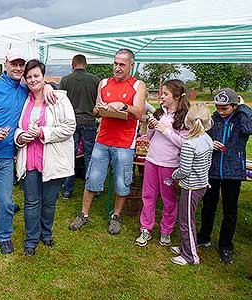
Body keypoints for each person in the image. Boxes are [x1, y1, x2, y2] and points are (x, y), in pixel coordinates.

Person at [0, 49, 56, 258]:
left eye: (21, 65)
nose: (17, 68)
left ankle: (4, 236)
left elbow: (41, 87)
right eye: (14, 63)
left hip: (6, 156)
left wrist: (50, 85)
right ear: (5, 63)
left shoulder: (25, 90)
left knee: (6, 202)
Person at [69, 49, 146, 235]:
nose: (117, 68)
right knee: (92, 178)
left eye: (122, 64)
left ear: (131, 66)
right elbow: (95, 110)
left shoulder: (138, 85)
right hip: (102, 139)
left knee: (122, 181)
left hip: (125, 143)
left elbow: (139, 113)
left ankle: (116, 216)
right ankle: (84, 214)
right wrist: (100, 108)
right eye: (115, 63)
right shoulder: (104, 83)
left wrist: (123, 106)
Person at [14, 59, 76, 256]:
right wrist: (21, 136)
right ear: (25, 79)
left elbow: (69, 128)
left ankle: (46, 233)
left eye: (36, 76)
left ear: (43, 77)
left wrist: (42, 132)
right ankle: (31, 240)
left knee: (49, 201)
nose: (33, 80)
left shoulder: (58, 98)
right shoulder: (24, 100)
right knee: (32, 202)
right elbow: (17, 127)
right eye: (29, 77)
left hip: (52, 159)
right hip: (30, 159)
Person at [197, 88, 252, 264]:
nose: (220, 111)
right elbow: (200, 136)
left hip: (233, 172)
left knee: (230, 211)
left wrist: (244, 108)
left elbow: (249, 129)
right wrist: (209, 143)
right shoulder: (213, 120)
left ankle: (226, 245)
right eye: (218, 108)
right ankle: (204, 237)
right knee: (208, 206)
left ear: (235, 106)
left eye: (225, 108)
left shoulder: (241, 118)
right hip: (212, 170)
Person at [135, 80, 189, 247]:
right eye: (161, 93)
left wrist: (165, 130)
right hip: (151, 161)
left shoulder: (185, 117)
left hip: (170, 164)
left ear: (177, 96)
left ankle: (166, 231)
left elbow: (184, 144)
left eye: (165, 94)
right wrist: (151, 128)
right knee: (148, 196)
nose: (161, 97)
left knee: (168, 199)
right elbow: (151, 138)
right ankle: (146, 228)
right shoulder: (159, 113)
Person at [169, 103, 213, 265]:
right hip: (201, 185)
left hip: (190, 188)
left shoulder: (189, 143)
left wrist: (173, 175)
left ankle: (190, 256)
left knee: (186, 222)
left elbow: (184, 170)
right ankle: (185, 247)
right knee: (188, 219)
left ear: (188, 120)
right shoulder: (207, 139)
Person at [60, 54, 99, 199]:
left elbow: (60, 103)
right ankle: (91, 188)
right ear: (86, 64)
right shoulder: (95, 80)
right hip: (89, 121)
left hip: (71, 123)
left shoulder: (65, 80)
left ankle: (67, 189)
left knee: (70, 155)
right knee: (90, 156)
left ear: (72, 64)